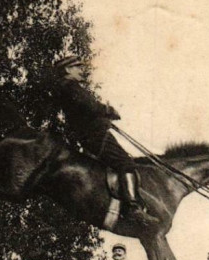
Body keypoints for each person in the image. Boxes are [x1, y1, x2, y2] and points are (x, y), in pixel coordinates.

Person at [49, 56, 159, 227]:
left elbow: (86, 109)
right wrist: (108, 110)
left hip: (92, 135)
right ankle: (133, 209)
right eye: (77, 67)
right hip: (96, 136)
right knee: (126, 164)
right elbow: (90, 106)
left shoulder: (66, 88)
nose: (81, 70)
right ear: (67, 70)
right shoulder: (71, 87)